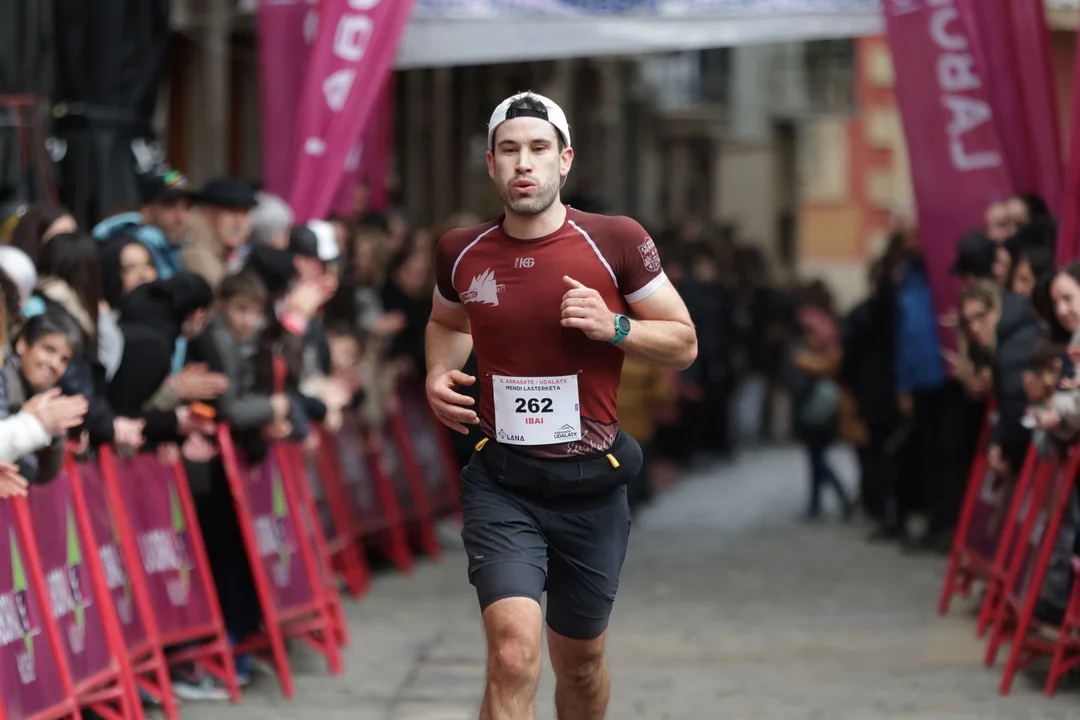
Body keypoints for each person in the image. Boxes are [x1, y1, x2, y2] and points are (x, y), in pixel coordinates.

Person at [425, 91, 697, 720]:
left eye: (538, 149)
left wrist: (615, 327)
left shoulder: (616, 240)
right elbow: (447, 320)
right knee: (512, 655)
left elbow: (683, 343)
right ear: (491, 164)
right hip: (502, 481)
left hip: (591, 488)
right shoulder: (460, 250)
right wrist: (439, 372)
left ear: (564, 160)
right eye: (509, 150)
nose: (524, 163)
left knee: (579, 665)